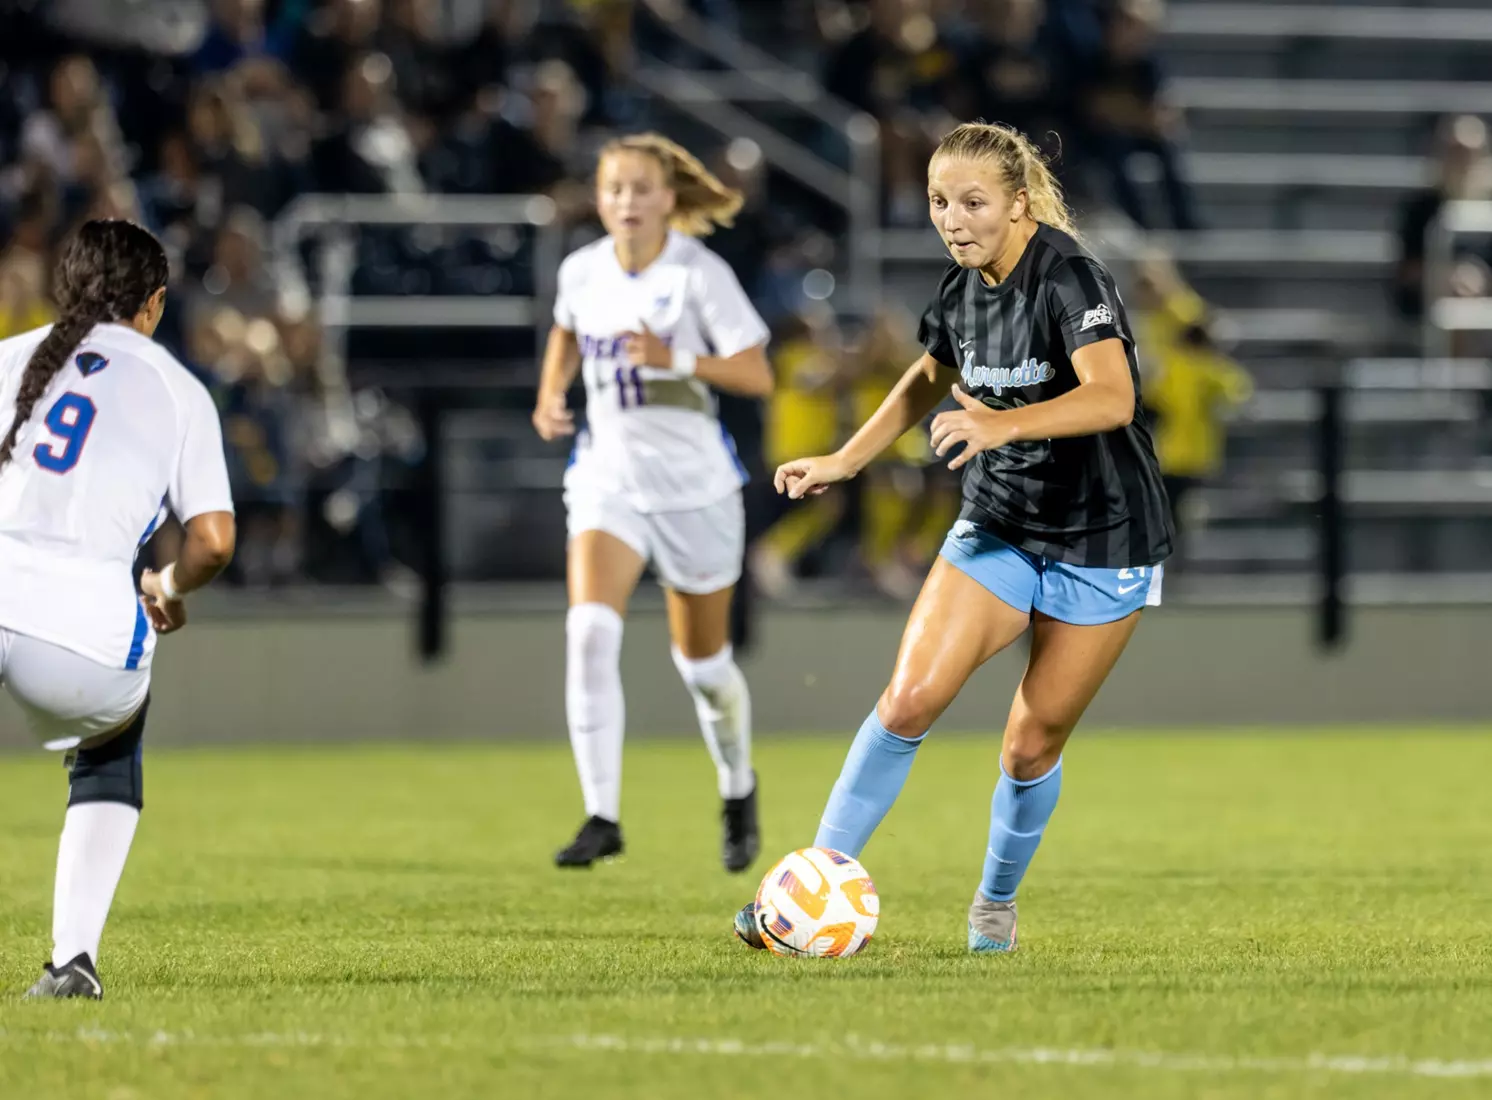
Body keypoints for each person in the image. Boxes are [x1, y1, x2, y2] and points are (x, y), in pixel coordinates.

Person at [734, 122, 1173, 954]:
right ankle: (807, 889)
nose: (954, 219)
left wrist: (1004, 427)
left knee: (1029, 743)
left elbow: (1112, 399)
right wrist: (845, 459)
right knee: (907, 701)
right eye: (940, 201)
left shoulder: (1070, 277)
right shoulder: (961, 287)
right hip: (1001, 524)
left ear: (1018, 203)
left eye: (973, 202)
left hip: (1104, 536)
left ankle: (993, 907)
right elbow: (926, 375)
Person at [0, 220, 236, 998]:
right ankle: (72, 961)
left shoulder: (8, 359)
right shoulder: (177, 388)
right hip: (82, 631)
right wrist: (166, 589)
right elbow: (213, 541)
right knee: (110, 747)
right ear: (155, 304)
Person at [532, 134, 774, 872]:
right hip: (608, 479)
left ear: (670, 198)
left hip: (694, 488)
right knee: (588, 634)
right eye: (615, 190)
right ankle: (602, 814)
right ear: (599, 200)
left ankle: (738, 786)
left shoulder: (698, 274)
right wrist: (549, 393)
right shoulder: (581, 270)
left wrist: (676, 358)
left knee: (703, 669)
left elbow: (757, 374)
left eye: (642, 189)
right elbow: (565, 332)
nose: (627, 203)